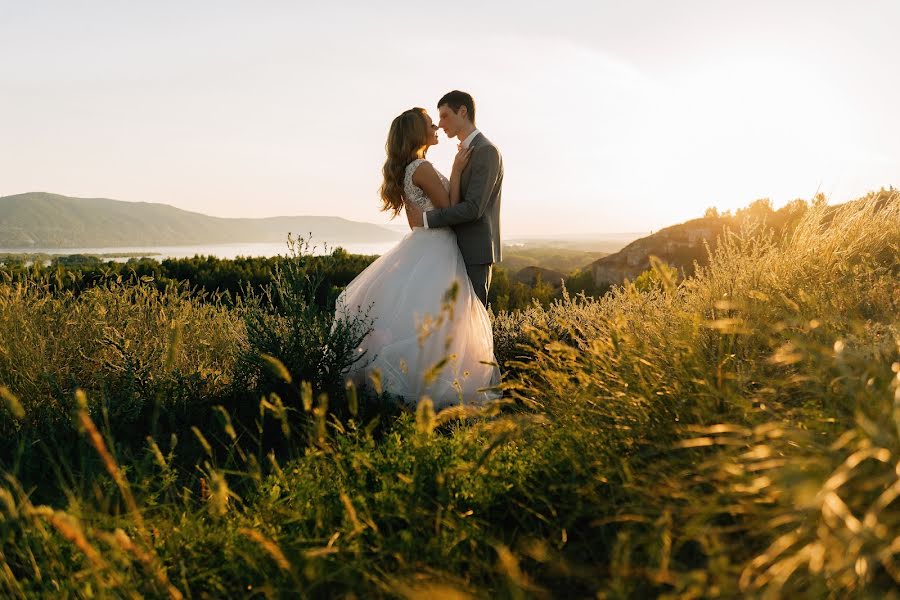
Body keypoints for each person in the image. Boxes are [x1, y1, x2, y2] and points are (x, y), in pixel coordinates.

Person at [334, 105, 500, 409]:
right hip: (438, 246)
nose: (436, 126)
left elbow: (419, 216)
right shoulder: (421, 168)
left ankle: (414, 381)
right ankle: (426, 385)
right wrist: (457, 170)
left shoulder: (413, 167)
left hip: (426, 243)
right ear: (417, 133)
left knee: (429, 319)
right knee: (444, 321)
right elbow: (449, 207)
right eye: (429, 124)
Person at [405, 90, 503, 307]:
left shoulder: (486, 151)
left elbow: (473, 208)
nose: (439, 124)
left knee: (472, 319)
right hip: (451, 251)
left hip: (474, 252)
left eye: (444, 115)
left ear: (463, 112)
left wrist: (427, 219)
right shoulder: (465, 152)